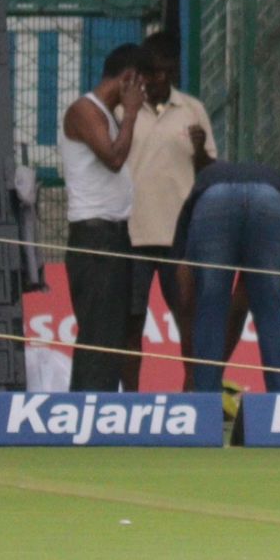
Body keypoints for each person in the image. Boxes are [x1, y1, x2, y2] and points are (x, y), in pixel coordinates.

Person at [122, 31, 216, 391]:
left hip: (181, 236)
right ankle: (129, 398)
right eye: (151, 72)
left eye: (164, 72)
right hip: (135, 233)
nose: (158, 79)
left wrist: (199, 152)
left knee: (187, 316)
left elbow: (210, 171)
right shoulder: (124, 111)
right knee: (132, 322)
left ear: (173, 71)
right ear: (141, 74)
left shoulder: (192, 110)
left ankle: (192, 393)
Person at [58, 43, 145, 391]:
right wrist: (133, 115)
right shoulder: (84, 110)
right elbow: (112, 157)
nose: (142, 96)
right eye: (141, 86)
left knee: (114, 332)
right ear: (128, 78)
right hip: (94, 237)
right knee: (98, 332)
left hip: (115, 235)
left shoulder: (108, 115)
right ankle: (86, 410)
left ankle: (103, 406)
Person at [171, 160, 280, 395]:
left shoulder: (197, 194)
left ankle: (204, 401)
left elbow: (185, 290)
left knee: (210, 308)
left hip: (214, 201)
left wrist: (192, 371)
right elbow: (244, 298)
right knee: (270, 309)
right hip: (272, 198)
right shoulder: (271, 180)